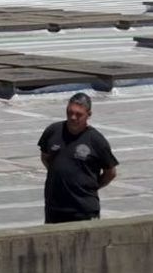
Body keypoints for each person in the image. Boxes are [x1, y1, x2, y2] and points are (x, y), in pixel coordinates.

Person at [38, 93, 118, 224]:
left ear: (88, 114)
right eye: (69, 112)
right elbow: (45, 158)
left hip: (83, 210)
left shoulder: (96, 140)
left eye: (78, 114)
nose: (73, 117)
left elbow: (111, 173)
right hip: (55, 208)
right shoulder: (53, 131)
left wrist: (91, 187)